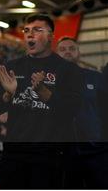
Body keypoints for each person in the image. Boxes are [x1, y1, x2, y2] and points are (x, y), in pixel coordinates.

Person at [0, 14, 83, 189]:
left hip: (50, 157)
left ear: (51, 36)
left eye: (37, 30)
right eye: (26, 30)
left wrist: (44, 92)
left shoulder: (68, 70)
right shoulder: (12, 67)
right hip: (15, 153)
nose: (30, 34)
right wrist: (8, 95)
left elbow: (72, 110)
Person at [56, 37, 108, 189]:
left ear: (79, 53)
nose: (67, 52)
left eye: (72, 49)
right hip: (63, 153)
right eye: (63, 49)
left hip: (96, 151)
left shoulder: (97, 78)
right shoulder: (46, 82)